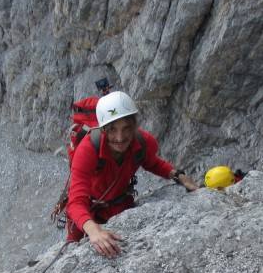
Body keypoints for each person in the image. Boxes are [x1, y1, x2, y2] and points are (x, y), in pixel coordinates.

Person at [66, 91, 198, 257]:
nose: (120, 138)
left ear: (134, 126)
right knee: (73, 249)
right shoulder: (88, 150)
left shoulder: (142, 142)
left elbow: (153, 162)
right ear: (104, 129)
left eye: (126, 128)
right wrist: (93, 229)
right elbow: (76, 201)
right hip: (88, 212)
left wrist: (179, 176)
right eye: (112, 129)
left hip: (121, 208)